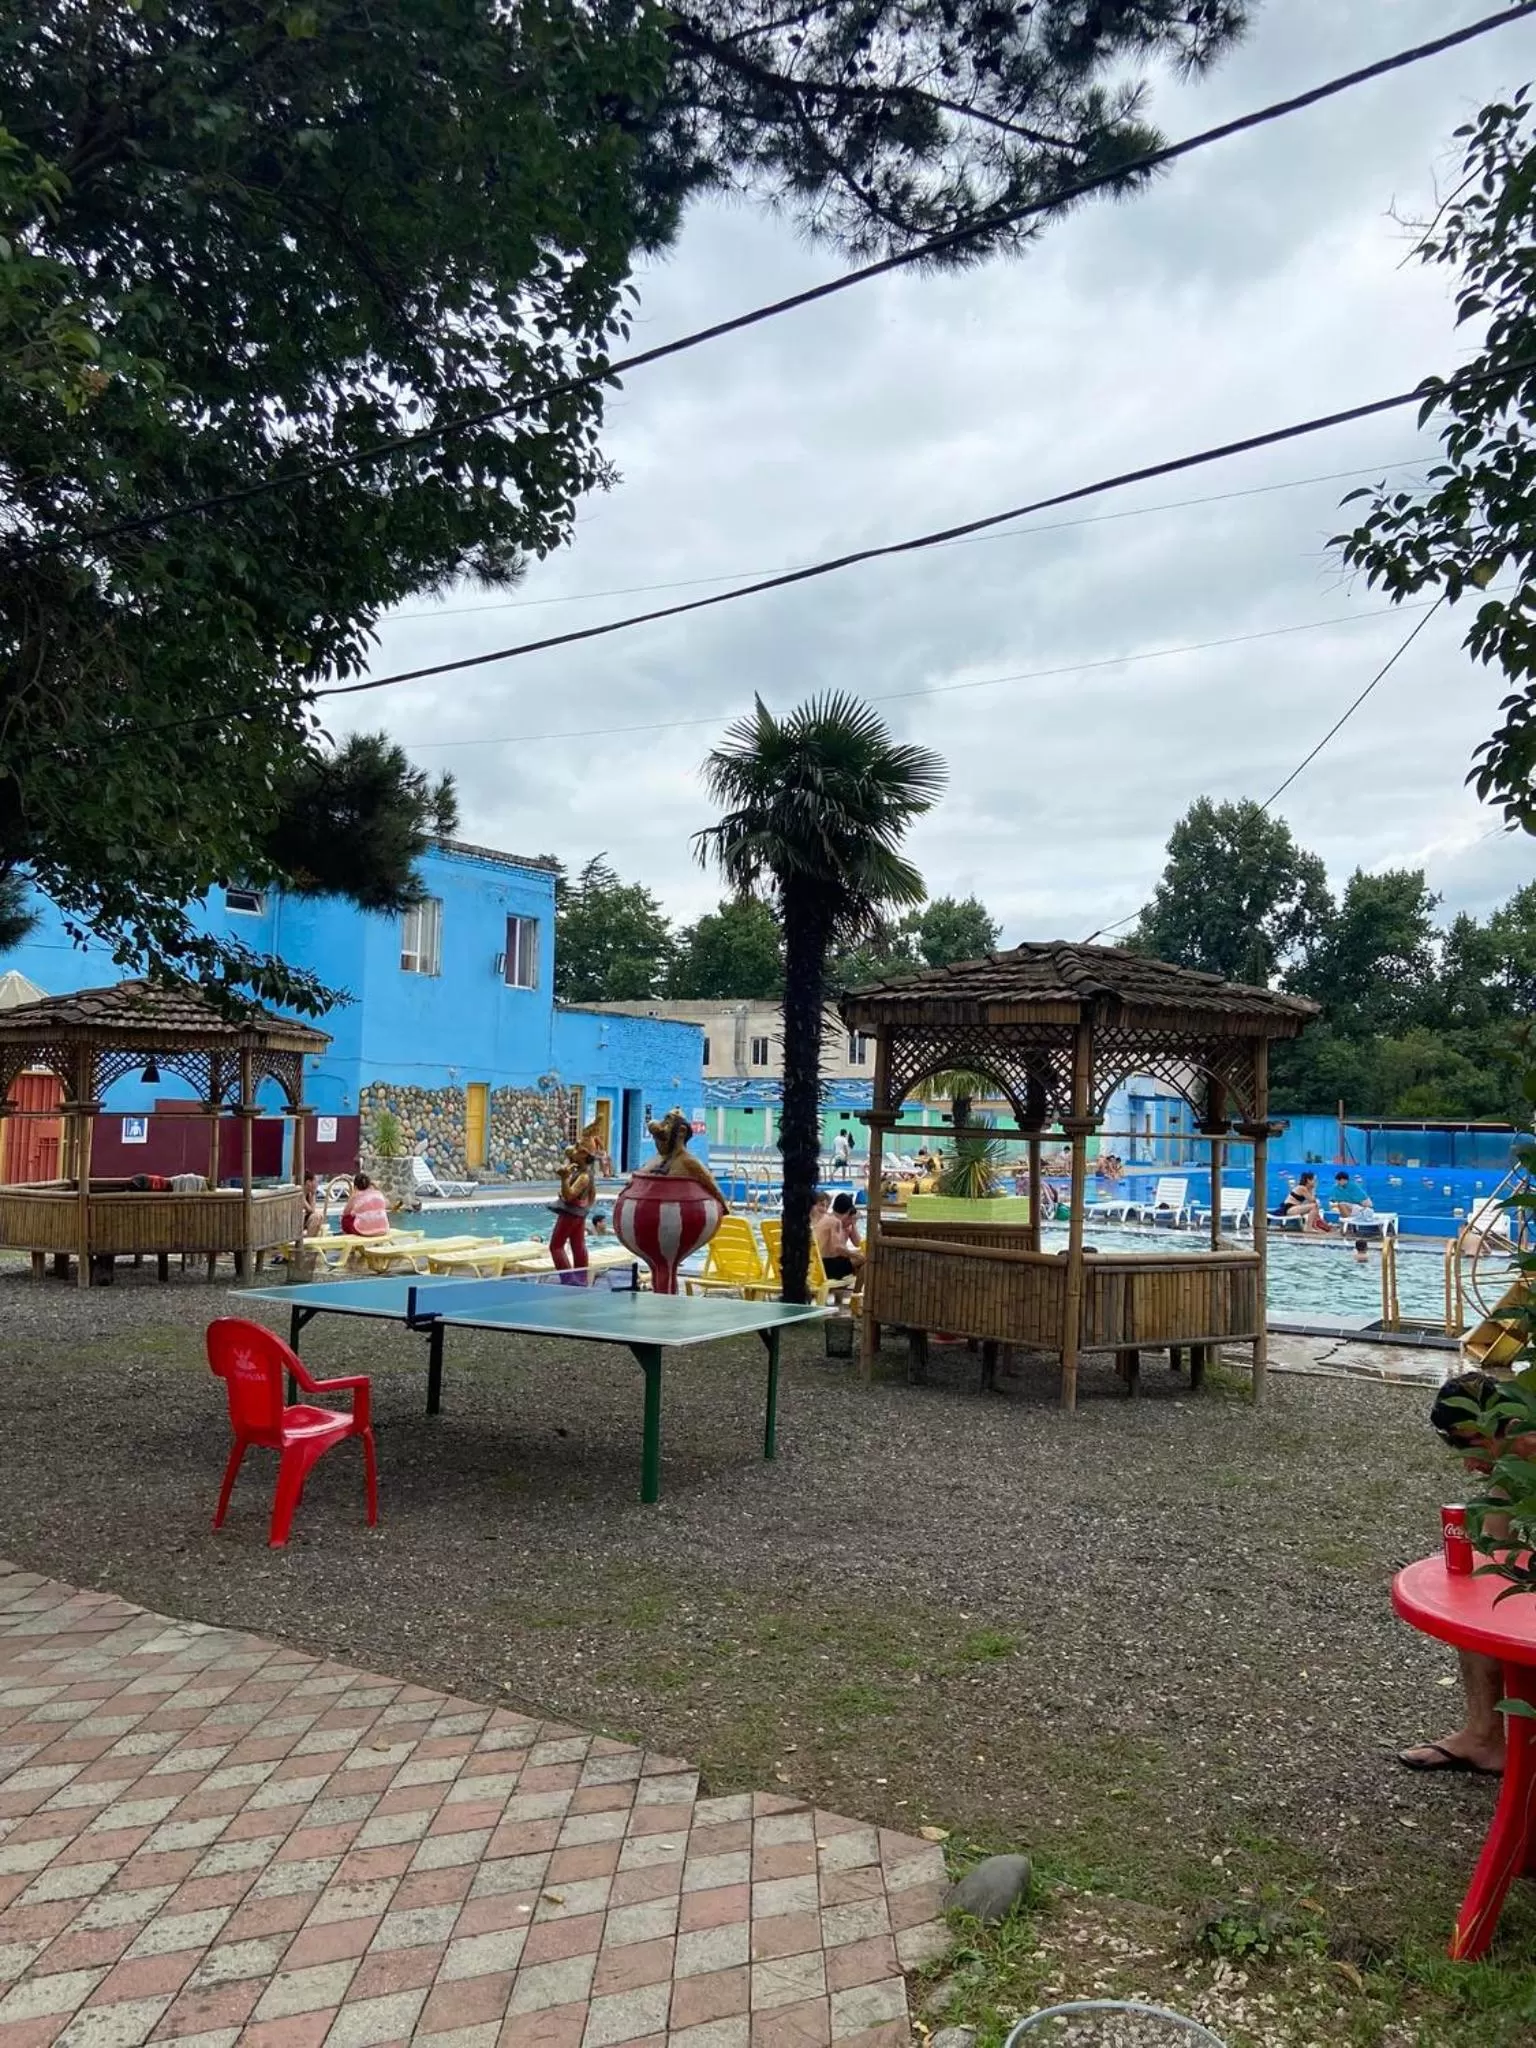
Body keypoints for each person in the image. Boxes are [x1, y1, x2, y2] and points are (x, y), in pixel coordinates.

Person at [1400, 1372, 1536, 1775]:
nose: (1469, 1463)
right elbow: (1497, 1553)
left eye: (1470, 1444)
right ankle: (1483, 1736)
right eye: (1453, 1446)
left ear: (1512, 1425)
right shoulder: (1513, 1469)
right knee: (1481, 1591)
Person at [549, 1140, 597, 1281]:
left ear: (583, 1154)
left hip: (571, 1213)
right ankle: (581, 1278)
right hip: (579, 1213)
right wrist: (585, 1207)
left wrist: (564, 1179)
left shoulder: (584, 1177)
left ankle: (569, 1280)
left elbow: (569, 1196)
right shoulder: (584, 1172)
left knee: (556, 1246)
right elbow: (592, 1195)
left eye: (577, 1148)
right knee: (578, 1244)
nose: (572, 1151)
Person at [815, 1191, 864, 1279]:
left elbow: (858, 1243)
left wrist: (853, 1224)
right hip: (827, 1266)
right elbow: (837, 1248)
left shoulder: (826, 1219)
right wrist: (855, 1255)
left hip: (820, 1265)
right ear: (847, 1212)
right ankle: (857, 1288)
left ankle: (853, 1287)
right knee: (866, 1258)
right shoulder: (835, 1222)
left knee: (861, 1257)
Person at [339, 1173, 390, 1237]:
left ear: (355, 1187)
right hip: (383, 1229)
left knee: (345, 1219)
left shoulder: (356, 1196)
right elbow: (387, 1204)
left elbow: (345, 1213)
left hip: (364, 1230)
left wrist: (352, 1195)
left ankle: (346, 1234)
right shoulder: (378, 1193)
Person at [302, 1172, 326, 1237]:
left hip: (301, 1221)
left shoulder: (308, 1194)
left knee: (318, 1216)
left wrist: (313, 1194)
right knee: (317, 1217)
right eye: (316, 1182)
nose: (317, 1184)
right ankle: (308, 1240)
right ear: (308, 1182)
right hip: (294, 1223)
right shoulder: (300, 1195)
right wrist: (313, 1194)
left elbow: (312, 1211)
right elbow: (311, 1211)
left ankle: (309, 1239)